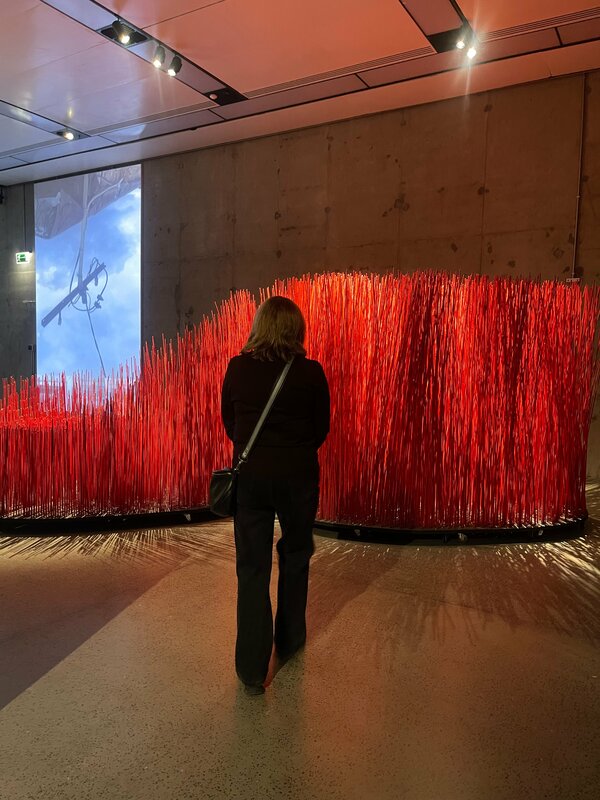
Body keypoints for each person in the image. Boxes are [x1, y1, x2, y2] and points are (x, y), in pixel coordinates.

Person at [221, 296, 330, 695]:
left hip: (251, 480)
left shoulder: (238, 368)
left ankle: (252, 669)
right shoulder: (311, 373)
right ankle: (290, 640)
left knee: (252, 568)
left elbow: (230, 423)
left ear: (259, 326)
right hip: (298, 479)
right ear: (296, 330)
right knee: (296, 556)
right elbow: (321, 429)